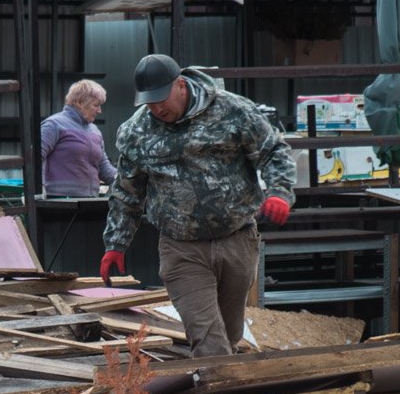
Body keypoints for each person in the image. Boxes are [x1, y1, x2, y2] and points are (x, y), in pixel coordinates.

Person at [99, 54, 296, 357]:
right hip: (182, 248)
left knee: (228, 337)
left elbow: (273, 151)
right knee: (209, 342)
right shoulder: (136, 132)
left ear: (181, 84)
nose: (156, 108)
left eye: (161, 99)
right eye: (149, 102)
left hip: (237, 239)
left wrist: (280, 192)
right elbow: (127, 191)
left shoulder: (232, 110)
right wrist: (116, 243)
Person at [40, 79, 117, 197]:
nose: (100, 111)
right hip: (59, 202)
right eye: (96, 105)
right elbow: (34, 160)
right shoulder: (54, 125)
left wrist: (127, 180)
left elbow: (103, 167)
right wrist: (39, 189)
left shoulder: (95, 131)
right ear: (79, 102)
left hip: (89, 202)